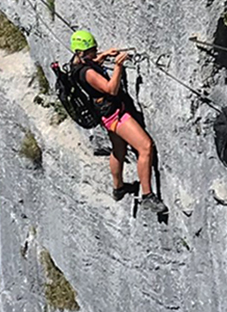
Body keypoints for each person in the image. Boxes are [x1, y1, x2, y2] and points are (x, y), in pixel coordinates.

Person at [68, 30, 168, 219]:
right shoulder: (87, 72)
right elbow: (111, 89)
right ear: (82, 53)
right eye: (92, 51)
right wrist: (118, 66)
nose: (94, 53)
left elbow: (91, 63)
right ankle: (147, 195)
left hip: (105, 115)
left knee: (118, 151)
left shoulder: (77, 63)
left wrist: (104, 55)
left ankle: (118, 188)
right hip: (115, 115)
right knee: (145, 147)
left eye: (95, 49)